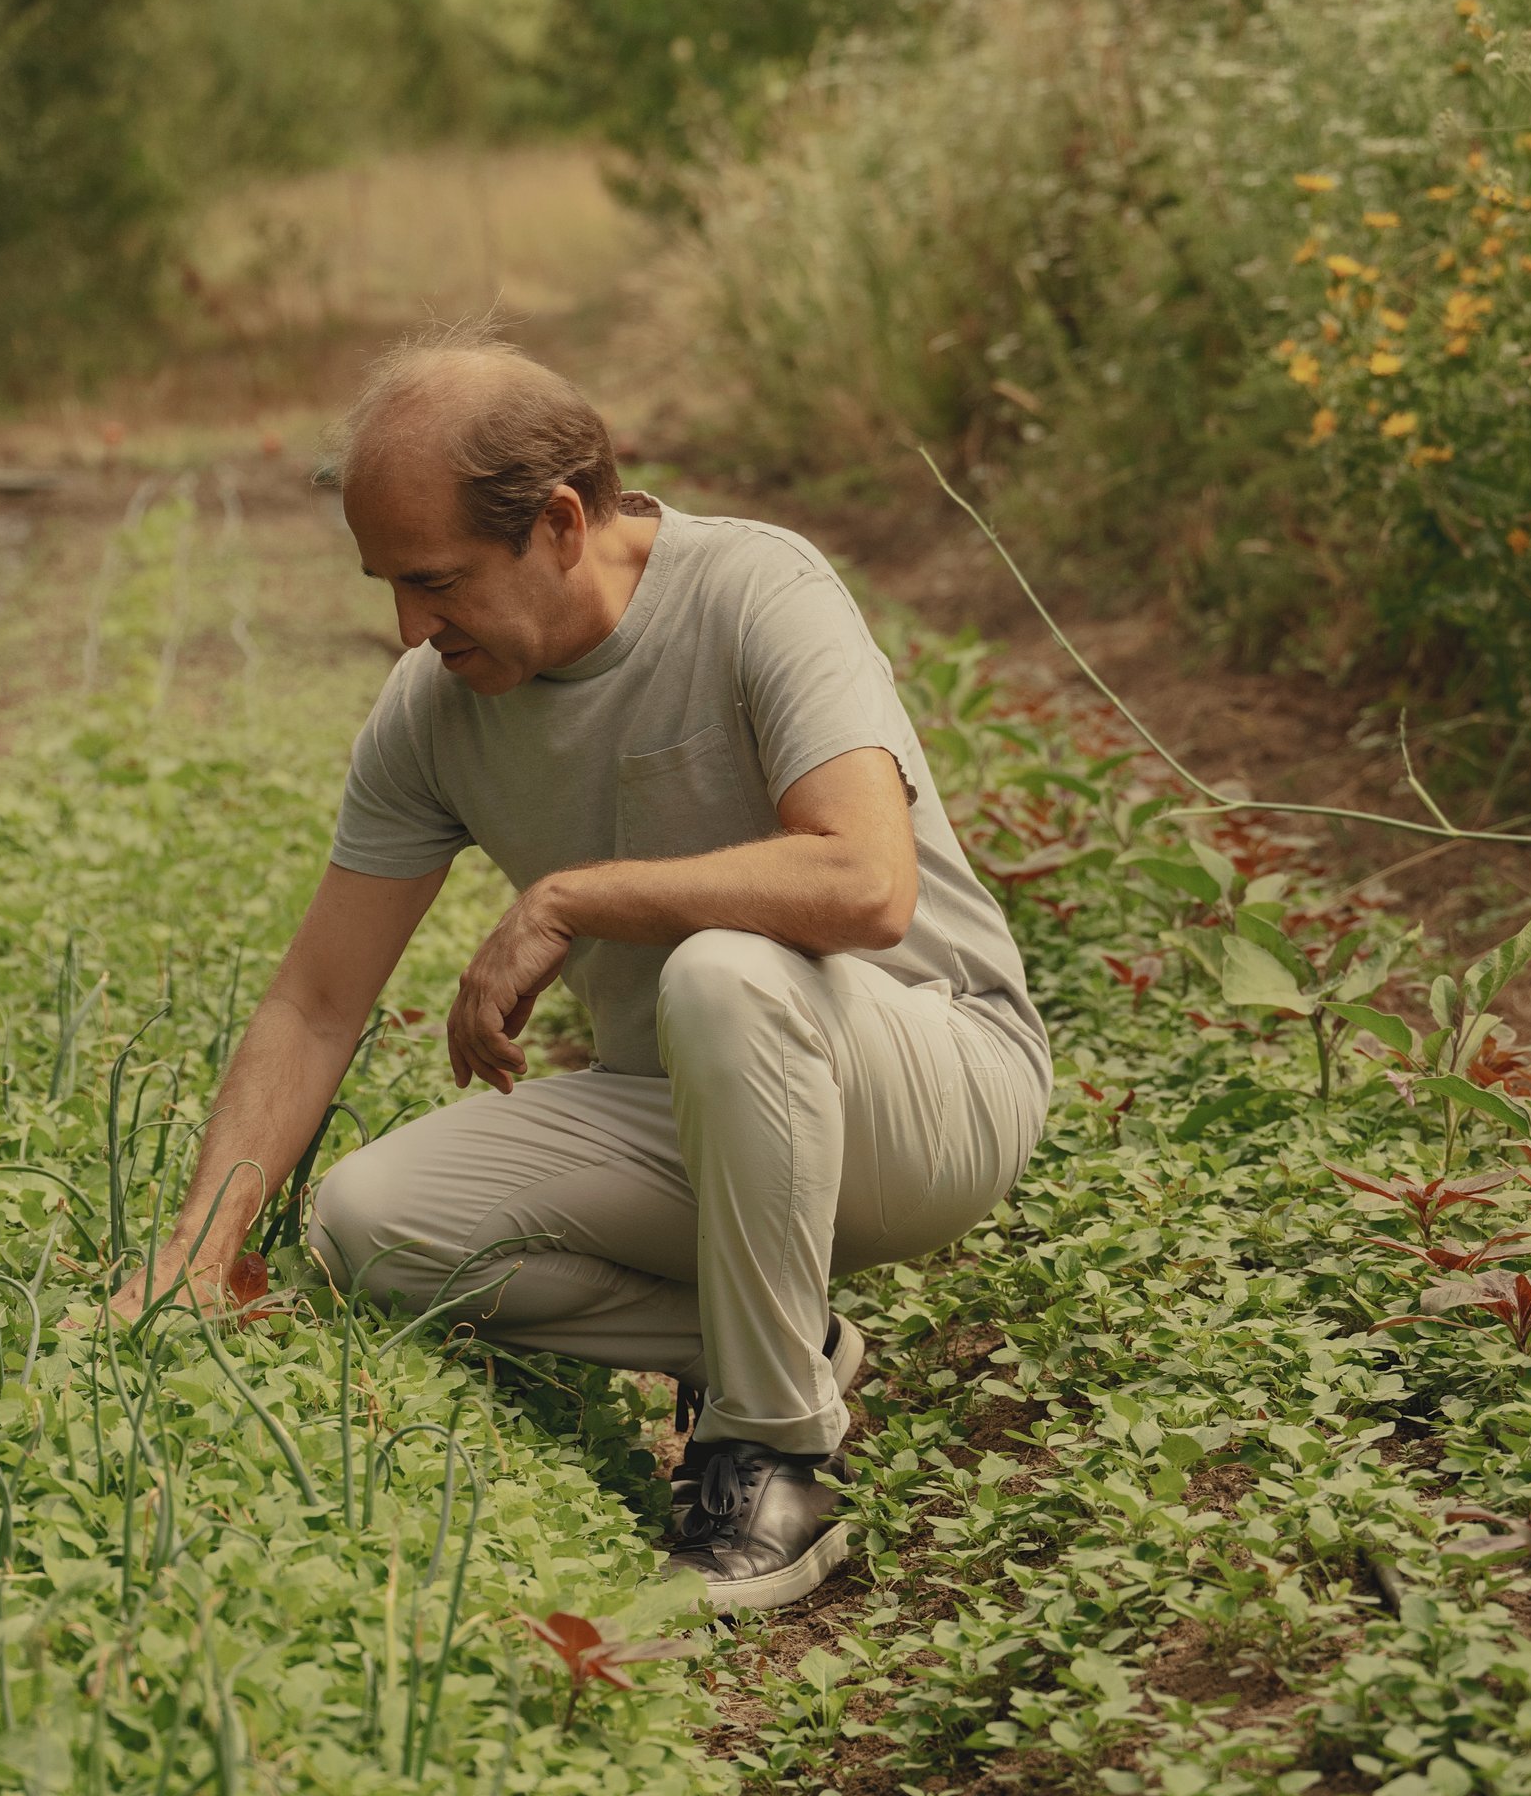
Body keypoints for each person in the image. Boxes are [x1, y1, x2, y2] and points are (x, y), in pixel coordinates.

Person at [114, 338, 1051, 1609]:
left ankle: (776, 1460)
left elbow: (865, 885)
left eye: (435, 580)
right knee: (368, 1225)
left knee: (724, 973)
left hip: (930, 1085)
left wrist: (572, 896)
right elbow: (316, 1001)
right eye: (388, 585)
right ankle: (788, 1344)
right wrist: (195, 1250)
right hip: (694, 1101)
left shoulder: (755, 591)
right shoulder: (431, 709)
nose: (409, 629)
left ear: (559, 523)